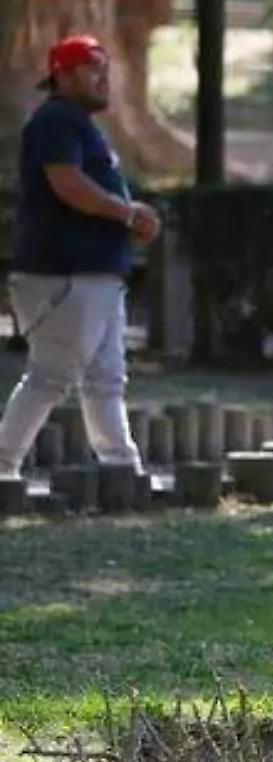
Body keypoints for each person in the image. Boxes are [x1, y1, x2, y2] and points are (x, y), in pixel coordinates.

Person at [0, 35, 161, 482]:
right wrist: (128, 212)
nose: (103, 78)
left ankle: (120, 470)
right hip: (63, 274)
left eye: (105, 68)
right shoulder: (56, 121)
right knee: (50, 376)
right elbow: (67, 184)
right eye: (92, 69)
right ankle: (2, 467)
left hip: (96, 276)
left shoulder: (79, 124)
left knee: (106, 379)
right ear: (63, 75)